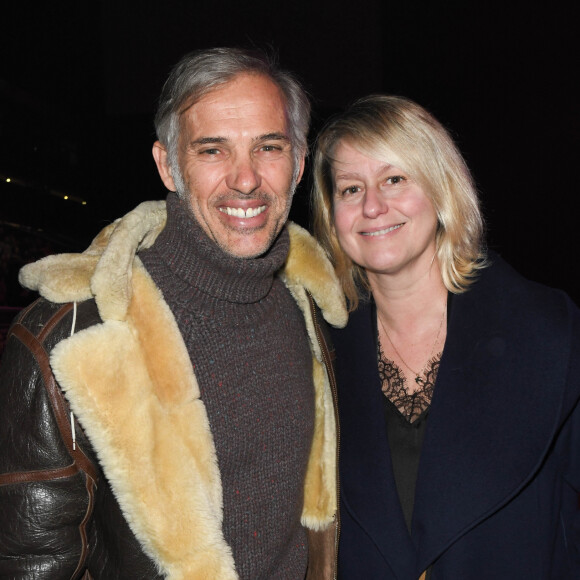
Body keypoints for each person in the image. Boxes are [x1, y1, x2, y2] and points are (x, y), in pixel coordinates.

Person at [0, 47, 347, 579]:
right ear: (168, 165)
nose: (246, 179)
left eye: (269, 148)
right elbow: (31, 563)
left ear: (298, 163)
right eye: (212, 151)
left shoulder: (309, 308)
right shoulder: (69, 337)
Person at [312, 95, 580, 579]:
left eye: (395, 179)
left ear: (442, 191)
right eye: (351, 189)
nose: (373, 206)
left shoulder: (548, 333)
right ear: (332, 215)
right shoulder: (316, 348)